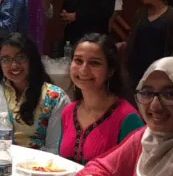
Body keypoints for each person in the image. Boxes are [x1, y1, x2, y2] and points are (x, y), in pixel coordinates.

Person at [0, 33, 69, 154]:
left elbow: (55, 150)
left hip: (36, 168)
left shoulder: (55, 97)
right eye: (6, 60)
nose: (14, 65)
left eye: (20, 58)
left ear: (32, 59)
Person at [60, 33, 143, 164]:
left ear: (110, 71)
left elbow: (136, 174)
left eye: (94, 63)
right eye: (78, 60)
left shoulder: (128, 118)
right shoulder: (68, 112)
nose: (83, 69)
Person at [121, 0, 173, 90]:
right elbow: (132, 39)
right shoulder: (140, 13)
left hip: (158, 71)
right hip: (136, 70)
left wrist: (167, 72)